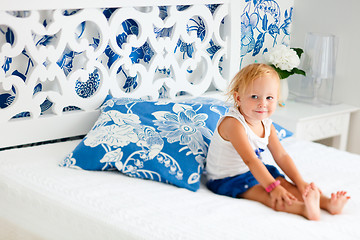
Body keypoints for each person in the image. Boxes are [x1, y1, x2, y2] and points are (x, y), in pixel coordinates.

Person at [205, 63, 350, 220]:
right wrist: (272, 187)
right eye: (254, 96)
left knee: (286, 185)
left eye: (269, 98)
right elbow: (251, 160)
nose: (263, 103)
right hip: (227, 178)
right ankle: (304, 210)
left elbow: (281, 155)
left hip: (254, 170)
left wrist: (301, 183)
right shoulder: (234, 124)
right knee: (269, 194)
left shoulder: (267, 124)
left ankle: (328, 203)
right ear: (238, 98)